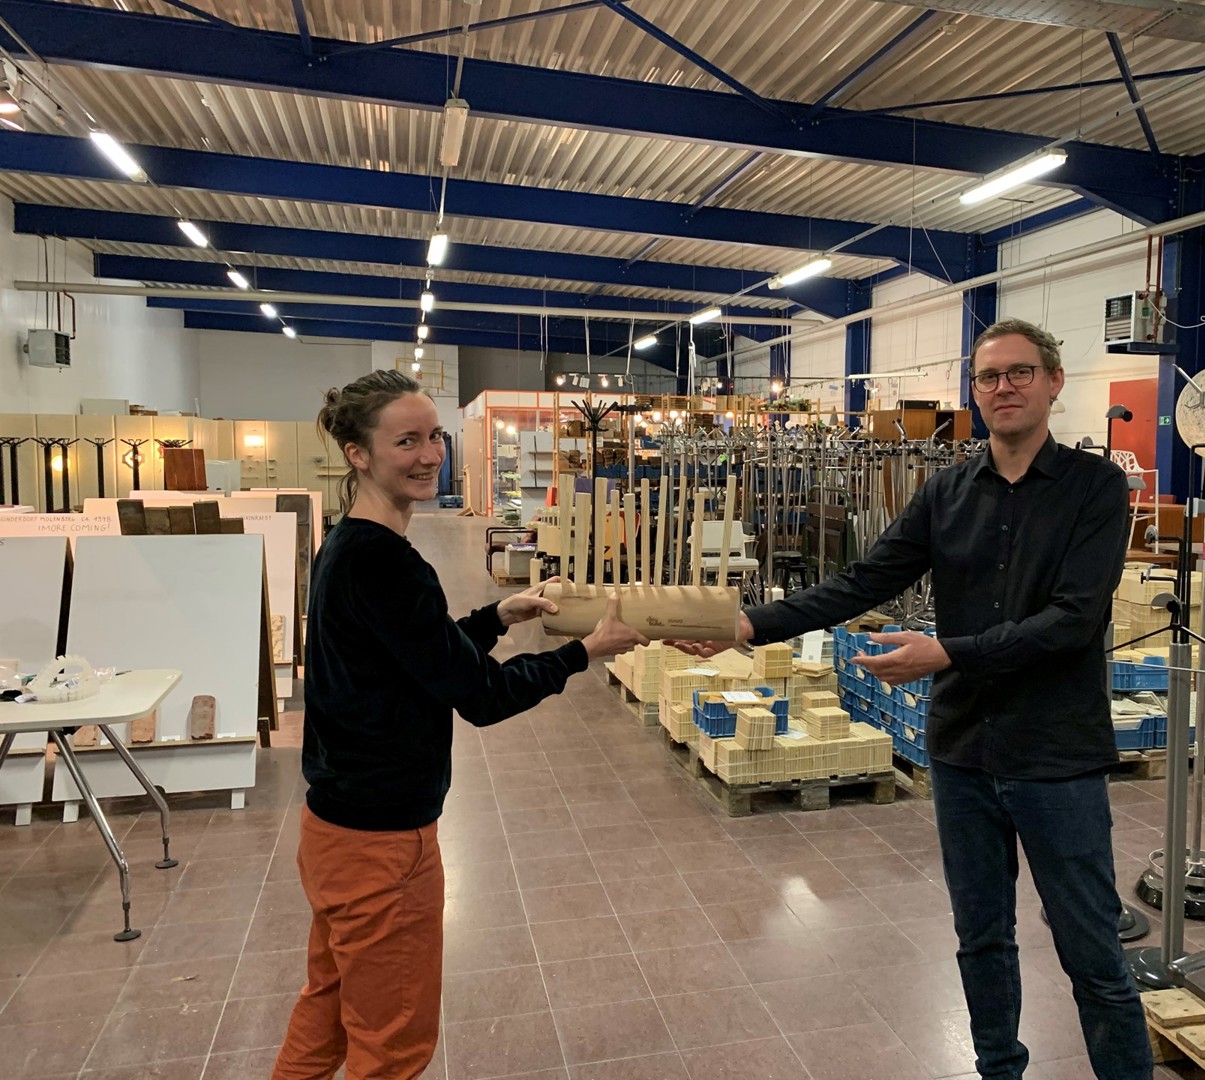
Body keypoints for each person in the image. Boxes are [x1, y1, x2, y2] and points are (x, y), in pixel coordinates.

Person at [674, 319, 1151, 1080]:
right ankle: (999, 1069)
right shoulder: (947, 491)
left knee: (1090, 947)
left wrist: (947, 653)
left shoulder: (1094, 488)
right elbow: (864, 581)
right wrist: (748, 624)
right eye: (989, 376)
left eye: (1020, 372)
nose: (1004, 387)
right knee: (981, 938)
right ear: (974, 391)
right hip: (964, 750)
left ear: (1054, 381)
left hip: (1054, 754)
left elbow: (1073, 620)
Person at [271, 370, 645, 1080]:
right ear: (358, 453)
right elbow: (481, 696)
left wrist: (496, 616)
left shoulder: (348, 545)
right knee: (393, 1046)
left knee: (327, 1013)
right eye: (406, 441)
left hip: (338, 829)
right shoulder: (385, 564)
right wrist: (585, 652)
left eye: (434, 436)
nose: (429, 455)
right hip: (384, 845)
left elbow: (420, 656)